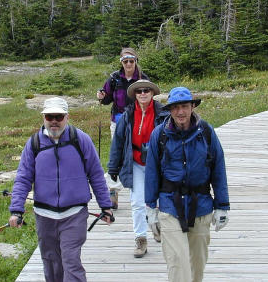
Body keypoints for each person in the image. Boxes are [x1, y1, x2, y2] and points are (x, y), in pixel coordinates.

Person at [8, 97, 113, 282]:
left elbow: (96, 175)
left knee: (71, 261)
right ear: (43, 118)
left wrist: (106, 206)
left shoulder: (81, 140)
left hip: (74, 213)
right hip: (44, 215)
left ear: (67, 117)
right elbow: (23, 178)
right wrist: (16, 210)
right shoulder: (34, 144)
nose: (54, 121)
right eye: (50, 116)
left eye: (59, 116)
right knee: (51, 263)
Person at [145, 87, 230, 282]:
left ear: (192, 106)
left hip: (201, 204)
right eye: (175, 108)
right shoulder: (160, 135)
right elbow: (151, 172)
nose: (180, 112)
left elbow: (218, 168)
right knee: (177, 262)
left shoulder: (206, 132)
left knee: (196, 264)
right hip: (169, 205)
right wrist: (150, 207)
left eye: (184, 106)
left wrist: (222, 206)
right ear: (170, 110)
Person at [107, 79, 169, 258]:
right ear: (135, 94)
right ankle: (141, 239)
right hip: (135, 162)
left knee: (160, 199)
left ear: (152, 93)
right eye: (139, 91)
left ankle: (156, 224)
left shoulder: (163, 113)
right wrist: (113, 167)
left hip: (157, 163)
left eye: (146, 90)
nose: (143, 93)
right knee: (136, 201)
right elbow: (118, 142)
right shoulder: (127, 115)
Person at [96, 47, 150, 210]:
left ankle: (146, 191)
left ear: (135, 61)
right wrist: (101, 96)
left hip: (138, 122)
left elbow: (148, 99)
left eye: (131, 61)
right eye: (125, 61)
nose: (128, 64)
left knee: (142, 153)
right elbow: (107, 100)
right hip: (118, 121)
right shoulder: (114, 78)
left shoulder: (142, 79)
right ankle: (113, 191)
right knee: (116, 155)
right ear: (121, 62)